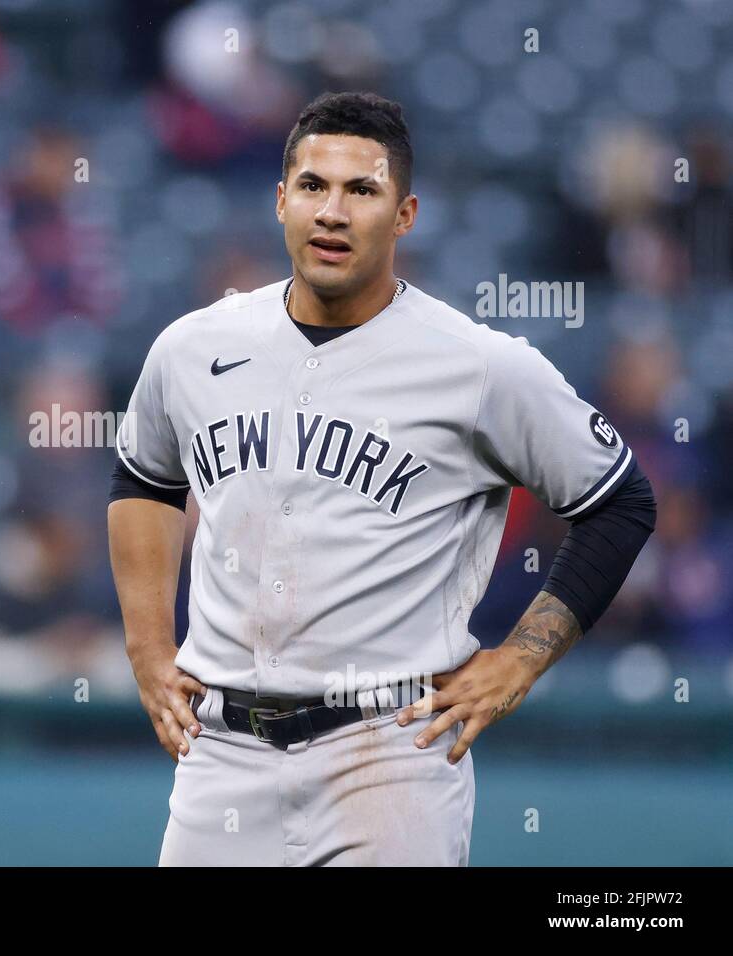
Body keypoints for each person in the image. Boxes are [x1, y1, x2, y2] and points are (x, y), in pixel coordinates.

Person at [107, 91, 657, 866]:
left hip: (390, 753)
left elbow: (619, 501)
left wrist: (521, 658)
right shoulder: (194, 346)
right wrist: (146, 649)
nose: (332, 211)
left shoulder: (477, 366)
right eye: (312, 186)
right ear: (280, 201)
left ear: (404, 214)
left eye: (361, 190)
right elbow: (144, 479)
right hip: (220, 755)